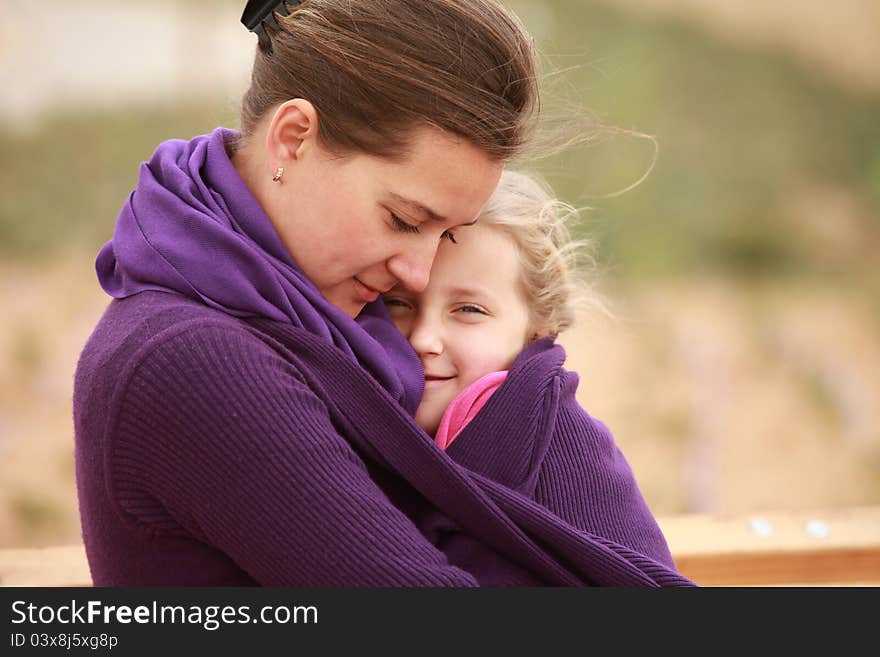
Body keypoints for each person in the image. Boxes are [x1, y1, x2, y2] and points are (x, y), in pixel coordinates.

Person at [73, 0, 693, 586]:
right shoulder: (196, 360)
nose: (418, 274)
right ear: (293, 137)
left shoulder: (306, 309)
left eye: (446, 233)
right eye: (402, 219)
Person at [382, 170, 676, 567]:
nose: (422, 339)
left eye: (469, 310)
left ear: (538, 324)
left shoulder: (563, 443)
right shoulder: (366, 419)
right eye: (399, 303)